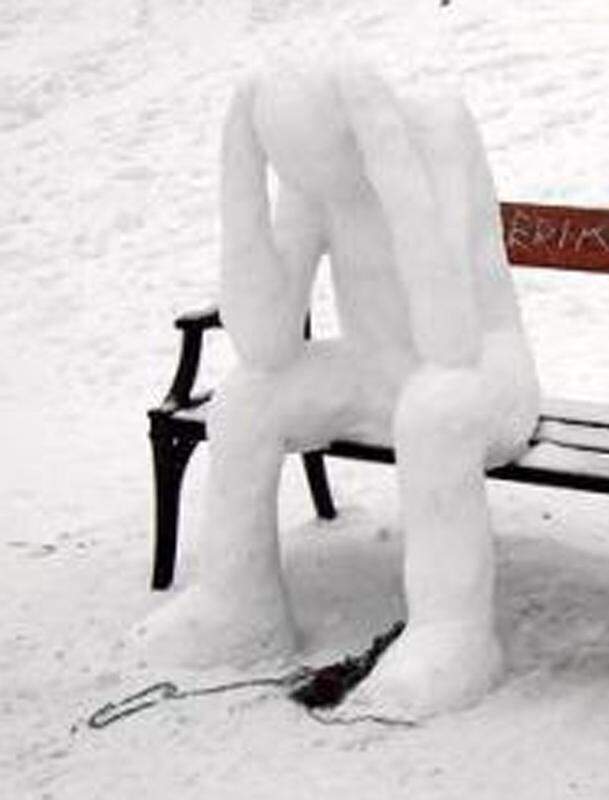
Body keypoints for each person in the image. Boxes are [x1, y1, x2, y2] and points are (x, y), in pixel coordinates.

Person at [135, 59, 540, 721]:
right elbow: (266, 341)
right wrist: (240, 179)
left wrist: (391, 165)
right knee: (245, 400)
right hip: (377, 372)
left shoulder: (435, 129)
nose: (319, 192)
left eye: (325, 171)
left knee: (434, 410)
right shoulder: (314, 177)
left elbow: (451, 338)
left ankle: (452, 633)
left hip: (484, 376)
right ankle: (238, 603)